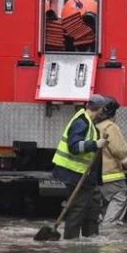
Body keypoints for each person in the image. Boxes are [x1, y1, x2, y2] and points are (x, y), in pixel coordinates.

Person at [51, 94, 109, 239]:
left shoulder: (88, 122)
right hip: (74, 173)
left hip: (85, 176)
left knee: (92, 207)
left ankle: (91, 239)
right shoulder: (81, 122)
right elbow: (74, 146)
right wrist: (95, 144)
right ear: (100, 109)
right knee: (78, 208)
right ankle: (71, 242)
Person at [97, 97, 127, 227]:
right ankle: (108, 229)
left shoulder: (93, 126)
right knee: (120, 195)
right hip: (110, 175)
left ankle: (100, 228)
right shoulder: (110, 127)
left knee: (103, 204)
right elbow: (120, 151)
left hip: (95, 175)